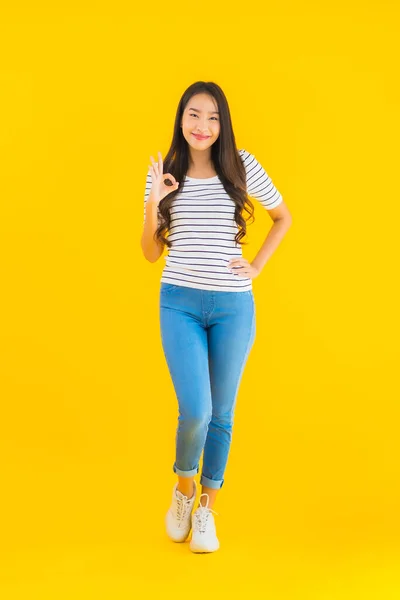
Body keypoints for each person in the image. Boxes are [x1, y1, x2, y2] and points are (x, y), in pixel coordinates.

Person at [140, 81, 292, 553]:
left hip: (232, 306)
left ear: (222, 124)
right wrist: (152, 204)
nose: (201, 126)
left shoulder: (243, 167)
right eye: (193, 115)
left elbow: (283, 217)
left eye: (211, 117)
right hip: (179, 303)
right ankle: (183, 492)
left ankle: (206, 509)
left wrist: (257, 265)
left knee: (222, 415)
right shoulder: (164, 172)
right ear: (180, 119)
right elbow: (149, 254)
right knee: (197, 411)